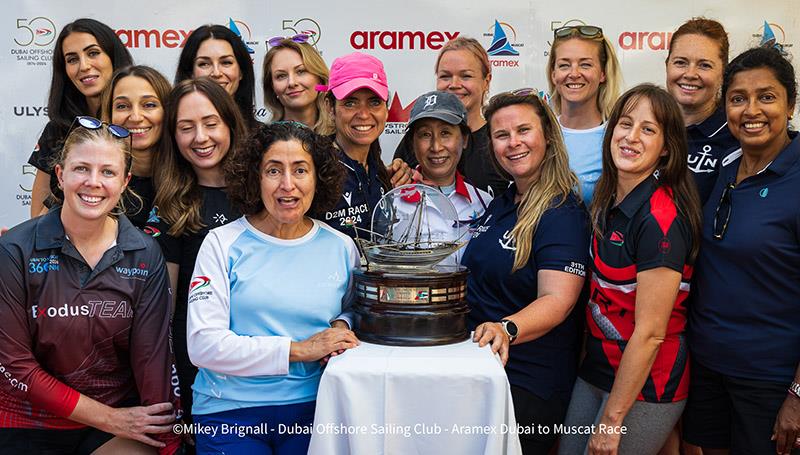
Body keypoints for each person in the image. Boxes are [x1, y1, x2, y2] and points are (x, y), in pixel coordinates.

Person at [0, 117, 180, 454]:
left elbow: (152, 357)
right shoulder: (15, 250)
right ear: (60, 174)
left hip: (117, 416)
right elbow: (15, 366)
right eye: (82, 168)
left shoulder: (143, 252)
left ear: (125, 182)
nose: (93, 183)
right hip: (28, 418)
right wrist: (109, 419)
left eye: (108, 172)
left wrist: (168, 441)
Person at [187, 122, 360, 454]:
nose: (287, 185)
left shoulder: (340, 246)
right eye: (273, 171)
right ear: (255, 177)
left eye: (300, 170)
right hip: (229, 411)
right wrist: (300, 350)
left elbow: (354, 309)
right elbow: (203, 345)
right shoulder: (222, 244)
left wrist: (342, 324)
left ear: (318, 178)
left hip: (316, 407)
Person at [558, 84, 702, 455]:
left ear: (667, 147)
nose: (631, 137)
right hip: (599, 367)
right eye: (625, 124)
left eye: (648, 130)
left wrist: (611, 421)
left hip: (648, 382)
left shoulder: (661, 219)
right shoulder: (608, 196)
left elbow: (651, 333)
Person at [683, 47, 800, 455]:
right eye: (738, 99)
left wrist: (798, 394)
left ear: (790, 103)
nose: (751, 110)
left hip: (771, 379)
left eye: (766, 97)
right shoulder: (725, 168)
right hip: (707, 367)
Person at [463, 89, 590, 454]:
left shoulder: (561, 211)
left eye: (524, 130)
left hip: (529, 382)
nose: (513, 143)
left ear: (547, 137)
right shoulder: (502, 202)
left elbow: (558, 301)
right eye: (502, 135)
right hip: (483, 371)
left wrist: (507, 329)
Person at [148, 78, 245, 425]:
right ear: (173, 137)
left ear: (230, 124)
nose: (200, 138)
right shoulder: (172, 206)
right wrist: (177, 392)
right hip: (202, 378)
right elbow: (165, 312)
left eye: (210, 123)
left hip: (272, 370)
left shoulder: (265, 192)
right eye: (186, 128)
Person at [28, 18, 133, 218]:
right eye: (72, 59)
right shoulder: (58, 130)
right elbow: (37, 218)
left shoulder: (137, 124)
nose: (83, 66)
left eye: (93, 53)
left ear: (113, 56)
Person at [394, 37, 511, 197]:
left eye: (466, 76)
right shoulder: (414, 140)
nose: (454, 84)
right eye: (445, 76)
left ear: (486, 81)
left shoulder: (499, 141)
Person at [317, 52, 412, 239]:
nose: (363, 114)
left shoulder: (379, 171)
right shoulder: (315, 168)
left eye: (374, 102)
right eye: (350, 103)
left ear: (386, 109)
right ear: (330, 107)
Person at [392, 90, 492, 265]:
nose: (436, 147)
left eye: (445, 133)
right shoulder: (392, 199)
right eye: (425, 134)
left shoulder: (484, 203)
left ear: (465, 139)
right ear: (412, 143)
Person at [666, 17, 741, 204]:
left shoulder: (736, 136)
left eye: (704, 65)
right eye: (680, 62)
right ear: (667, 65)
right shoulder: (646, 127)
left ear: (723, 73)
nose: (690, 74)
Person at [546, 25, 622, 204]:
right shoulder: (540, 133)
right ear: (553, 74)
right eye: (564, 65)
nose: (574, 74)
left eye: (585, 64)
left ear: (603, 73)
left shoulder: (616, 138)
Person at [101, 65, 172, 229]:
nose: (135, 117)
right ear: (109, 114)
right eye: (122, 106)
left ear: (168, 111)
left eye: (149, 105)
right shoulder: (92, 181)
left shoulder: (189, 179)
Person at [175, 24, 258, 128]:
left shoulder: (263, 139)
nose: (216, 73)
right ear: (190, 73)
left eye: (226, 62)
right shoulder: (171, 134)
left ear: (241, 71)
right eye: (204, 64)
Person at [263, 34, 333, 134]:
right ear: (272, 87)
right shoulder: (263, 142)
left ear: (319, 78)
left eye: (301, 71)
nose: (291, 82)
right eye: (281, 76)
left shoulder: (343, 136)